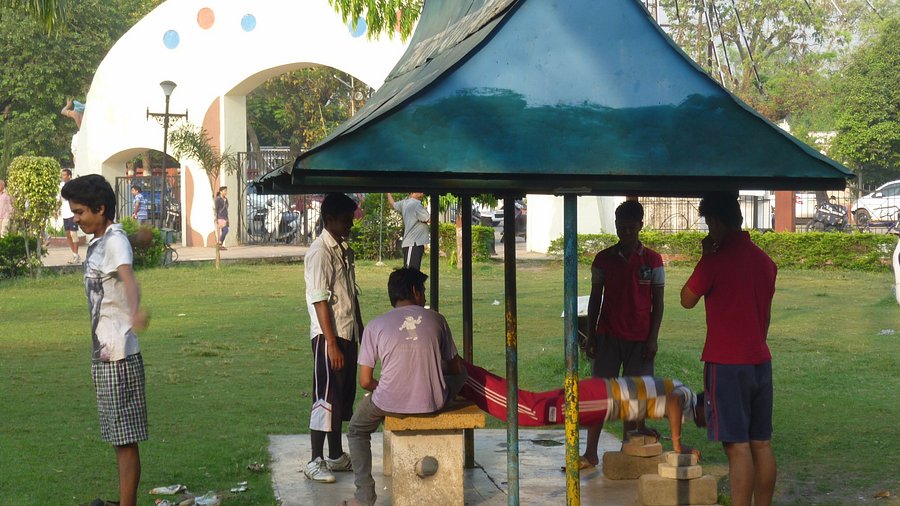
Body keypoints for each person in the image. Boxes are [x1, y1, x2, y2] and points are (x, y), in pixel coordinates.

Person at [680, 192, 777, 506]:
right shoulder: (765, 261)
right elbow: (766, 314)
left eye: (709, 224)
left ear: (717, 222)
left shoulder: (716, 261)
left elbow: (686, 299)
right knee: (761, 443)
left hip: (726, 363)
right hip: (759, 360)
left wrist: (707, 257)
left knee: (736, 447)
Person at [61, 174, 149, 506]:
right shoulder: (107, 238)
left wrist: (136, 309)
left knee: (125, 439)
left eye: (81, 212)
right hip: (105, 354)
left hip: (120, 356)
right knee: (117, 436)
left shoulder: (113, 242)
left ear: (100, 208)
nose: (76, 218)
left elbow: (128, 277)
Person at [344, 268, 467, 506]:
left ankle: (364, 496)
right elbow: (455, 369)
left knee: (357, 431)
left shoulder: (375, 325)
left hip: (387, 402)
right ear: (415, 291)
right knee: (464, 372)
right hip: (433, 402)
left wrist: (387, 390)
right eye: (423, 290)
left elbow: (365, 381)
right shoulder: (437, 319)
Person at [460, 361, 704, 458]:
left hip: (605, 398)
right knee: (535, 411)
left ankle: (469, 375)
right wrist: (678, 444)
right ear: (703, 405)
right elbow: (672, 401)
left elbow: (649, 396)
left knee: (535, 405)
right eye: (711, 417)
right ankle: (469, 378)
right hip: (603, 398)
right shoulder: (685, 395)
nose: (707, 423)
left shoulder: (683, 392)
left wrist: (642, 426)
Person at [582, 200, 665, 469]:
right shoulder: (603, 259)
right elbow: (595, 298)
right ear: (616, 226)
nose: (627, 232)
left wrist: (652, 338)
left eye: (632, 227)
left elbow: (659, 302)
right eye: (622, 227)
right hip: (607, 336)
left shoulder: (653, 260)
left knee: (634, 397)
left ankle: (629, 450)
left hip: (640, 339)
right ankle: (590, 452)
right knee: (600, 395)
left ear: (641, 226)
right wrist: (591, 334)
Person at [303, 193, 364, 483]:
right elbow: (320, 300)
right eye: (345, 220)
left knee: (341, 397)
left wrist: (360, 331)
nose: (350, 224)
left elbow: (351, 294)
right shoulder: (320, 252)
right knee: (326, 397)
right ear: (329, 220)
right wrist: (331, 343)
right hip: (330, 335)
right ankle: (315, 460)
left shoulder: (343, 249)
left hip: (347, 332)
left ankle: (336, 455)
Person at [386, 192, 429, 270]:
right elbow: (428, 218)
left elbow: (393, 204)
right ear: (413, 192)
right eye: (420, 191)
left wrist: (388, 192)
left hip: (414, 243)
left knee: (413, 272)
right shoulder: (415, 204)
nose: (423, 193)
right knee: (410, 272)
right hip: (413, 243)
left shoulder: (404, 202)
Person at [59, 169, 81, 264]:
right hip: (65, 212)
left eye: (64, 175)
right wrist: (57, 209)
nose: (63, 177)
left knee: (73, 234)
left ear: (69, 176)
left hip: (72, 212)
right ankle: (74, 254)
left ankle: (76, 254)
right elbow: (59, 198)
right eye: (62, 175)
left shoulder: (73, 186)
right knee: (68, 234)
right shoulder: (61, 186)